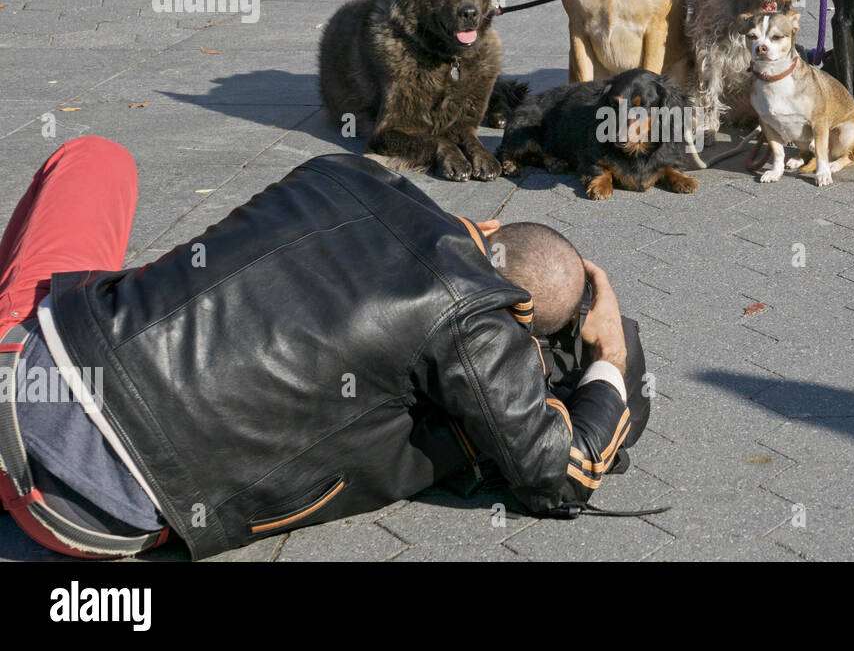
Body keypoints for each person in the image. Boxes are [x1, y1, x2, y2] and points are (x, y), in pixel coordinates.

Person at [0, 137, 649, 560]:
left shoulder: (342, 171)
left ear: (486, 227)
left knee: (96, 158)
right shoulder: (479, 319)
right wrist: (611, 356)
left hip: (29, 359)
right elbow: (558, 474)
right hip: (83, 515)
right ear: (520, 315)